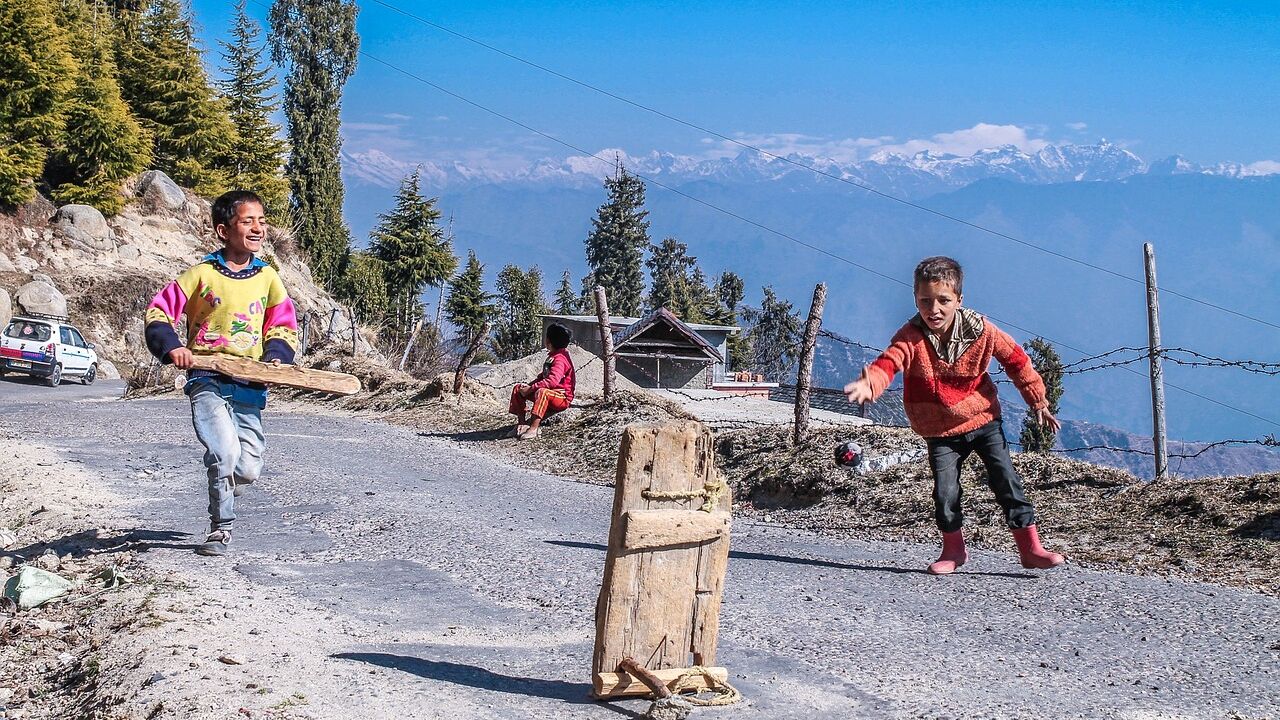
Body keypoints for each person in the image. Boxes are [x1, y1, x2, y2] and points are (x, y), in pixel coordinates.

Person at [844, 256, 1065, 574]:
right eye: (925, 301)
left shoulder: (982, 331)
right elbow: (890, 362)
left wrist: (1039, 402)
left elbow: (1017, 361)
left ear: (959, 300)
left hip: (983, 418)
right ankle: (953, 550)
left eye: (943, 300)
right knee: (946, 491)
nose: (934, 309)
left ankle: (1031, 549)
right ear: (915, 299)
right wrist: (872, 383)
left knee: (1007, 481)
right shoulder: (911, 336)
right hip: (939, 429)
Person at [144, 190, 298, 557]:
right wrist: (174, 348)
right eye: (248, 221)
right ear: (223, 230)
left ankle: (226, 485)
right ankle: (221, 526)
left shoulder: (268, 279)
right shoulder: (201, 275)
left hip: (249, 381)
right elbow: (158, 313)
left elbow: (282, 324)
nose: (258, 228)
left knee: (248, 466)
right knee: (223, 452)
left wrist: (276, 356)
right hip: (206, 378)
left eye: (261, 220)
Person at [509, 323, 576, 440]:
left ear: (549, 341)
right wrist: (527, 387)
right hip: (549, 393)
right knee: (518, 388)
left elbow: (552, 382)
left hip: (561, 397)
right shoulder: (553, 356)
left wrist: (530, 389)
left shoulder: (560, 359)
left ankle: (534, 428)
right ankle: (521, 423)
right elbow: (543, 377)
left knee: (542, 392)